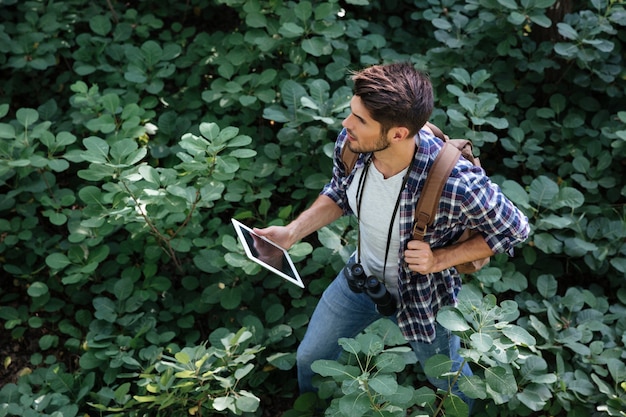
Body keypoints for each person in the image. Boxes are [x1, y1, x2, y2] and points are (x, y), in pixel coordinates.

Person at [254, 62, 530, 411]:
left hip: (424, 300)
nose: (346, 124)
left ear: (398, 133)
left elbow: (515, 228)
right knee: (311, 359)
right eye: (351, 112)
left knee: (449, 383)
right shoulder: (355, 144)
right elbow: (340, 191)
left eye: (360, 120)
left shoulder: (455, 182)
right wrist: (291, 233)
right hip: (360, 281)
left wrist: (439, 260)